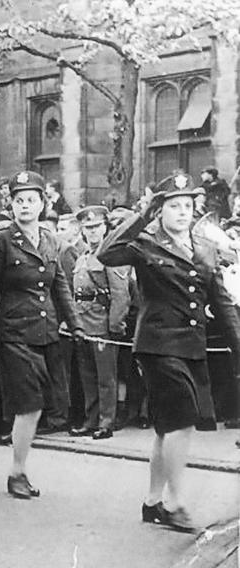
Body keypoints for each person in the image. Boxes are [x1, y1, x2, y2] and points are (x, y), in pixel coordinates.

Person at [97, 173, 240, 531]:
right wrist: (141, 215)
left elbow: (221, 303)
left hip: (191, 347)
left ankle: (152, 502)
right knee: (182, 420)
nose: (182, 212)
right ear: (160, 210)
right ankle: (175, 503)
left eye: (187, 206)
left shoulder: (205, 248)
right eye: (173, 206)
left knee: (166, 427)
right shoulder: (144, 244)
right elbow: (106, 253)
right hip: (158, 345)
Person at [0, 170, 85, 500]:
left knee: (40, 404)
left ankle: (19, 467)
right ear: (12, 205)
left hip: (46, 331)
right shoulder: (0, 240)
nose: (24, 206)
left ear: (42, 204)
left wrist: (74, 324)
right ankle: (17, 472)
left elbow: (59, 287)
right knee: (29, 402)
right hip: (13, 333)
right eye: (18, 200)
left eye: (31, 200)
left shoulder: (51, 240)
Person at [69, 206, 131, 440]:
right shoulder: (83, 257)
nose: (92, 232)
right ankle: (91, 419)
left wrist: (115, 326)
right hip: (83, 323)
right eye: (88, 228)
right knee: (88, 376)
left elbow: (120, 294)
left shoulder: (112, 256)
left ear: (105, 228)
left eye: (96, 227)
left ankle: (106, 422)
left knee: (106, 377)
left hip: (102, 324)